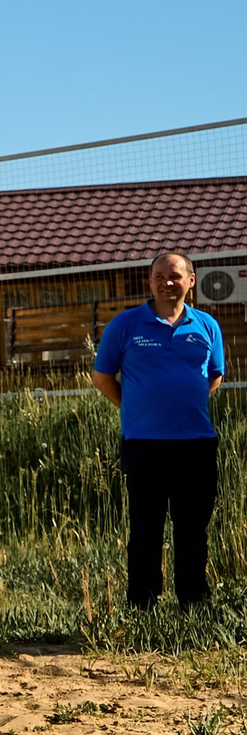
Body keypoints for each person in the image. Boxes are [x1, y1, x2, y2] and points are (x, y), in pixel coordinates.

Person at [93, 250, 226, 609]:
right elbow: (102, 377)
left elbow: (215, 376)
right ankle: (142, 606)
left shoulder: (207, 326)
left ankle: (194, 605)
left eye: (175, 276)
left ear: (191, 281)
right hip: (144, 443)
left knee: (193, 529)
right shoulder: (125, 325)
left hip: (196, 443)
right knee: (146, 530)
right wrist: (135, 407)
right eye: (159, 277)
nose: (167, 283)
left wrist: (185, 405)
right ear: (150, 282)